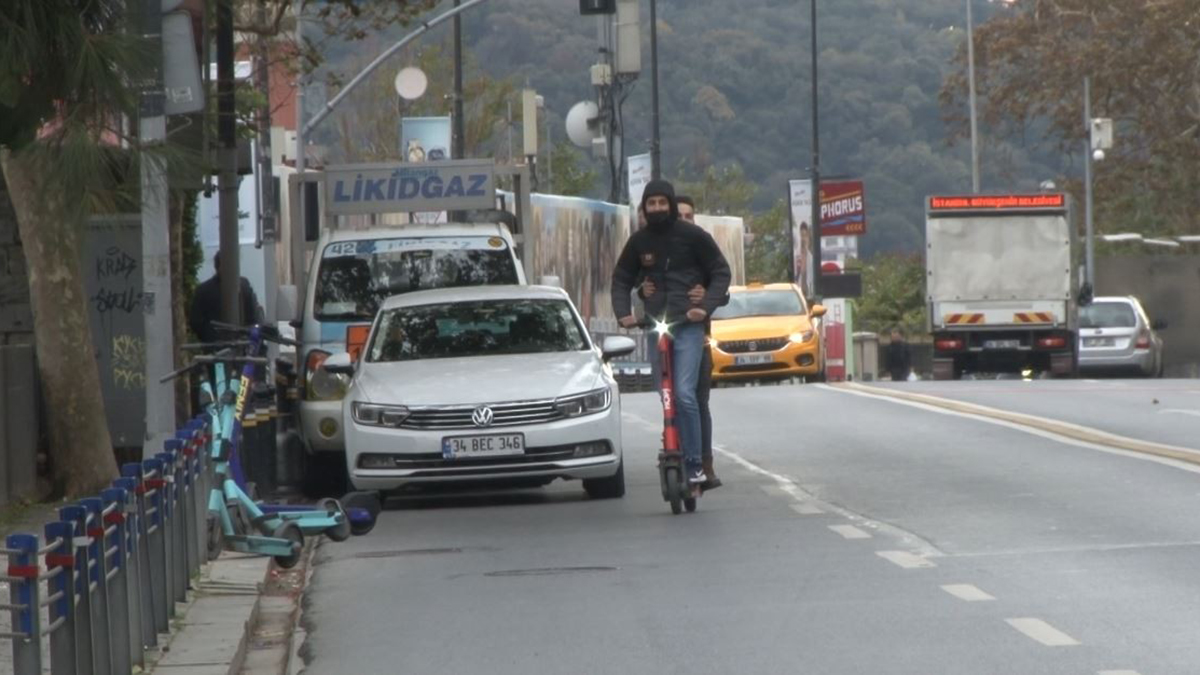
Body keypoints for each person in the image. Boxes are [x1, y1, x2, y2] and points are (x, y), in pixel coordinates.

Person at [612, 180, 731, 486]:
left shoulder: (694, 236)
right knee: (665, 393)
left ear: (671, 204)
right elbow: (622, 278)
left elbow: (721, 273)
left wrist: (704, 306)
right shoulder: (639, 241)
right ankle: (673, 445)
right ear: (644, 207)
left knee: (686, 394)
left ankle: (696, 463)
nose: (657, 208)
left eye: (662, 202)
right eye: (651, 203)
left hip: (689, 326)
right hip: (656, 326)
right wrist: (624, 313)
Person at [189, 252, 264, 344]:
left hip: (214, 344)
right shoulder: (244, 285)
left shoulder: (203, 290)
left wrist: (208, 337)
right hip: (243, 342)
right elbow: (253, 315)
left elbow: (196, 322)